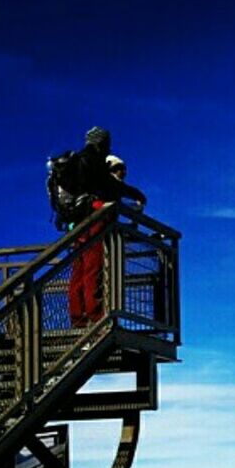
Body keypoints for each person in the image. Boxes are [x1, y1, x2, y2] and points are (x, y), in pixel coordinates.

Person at [68, 127, 146, 327]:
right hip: (94, 216)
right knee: (93, 269)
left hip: (77, 221)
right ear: (101, 143)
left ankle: (77, 319)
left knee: (79, 270)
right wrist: (137, 195)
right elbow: (113, 187)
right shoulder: (95, 161)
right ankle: (96, 319)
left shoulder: (76, 161)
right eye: (107, 143)